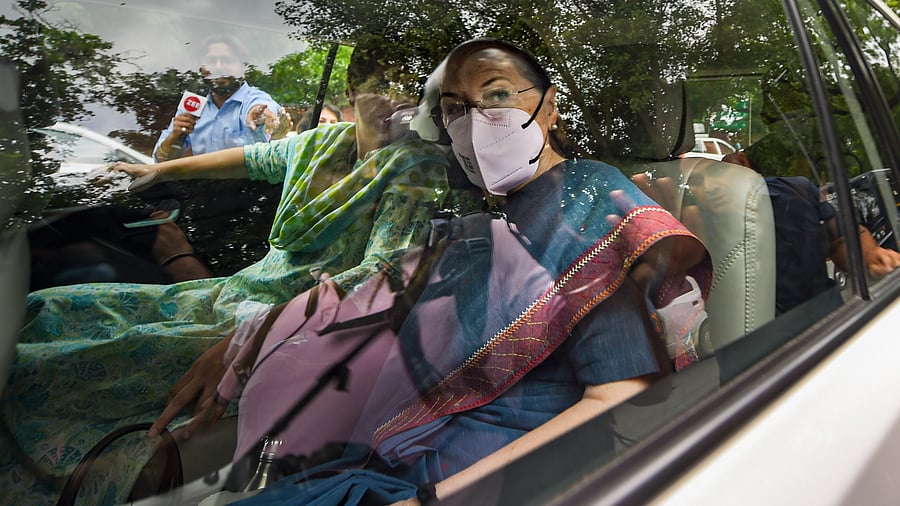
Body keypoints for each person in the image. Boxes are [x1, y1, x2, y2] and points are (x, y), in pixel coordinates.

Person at [194, 38, 712, 506]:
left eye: (497, 95)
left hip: (478, 483)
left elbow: (619, 395)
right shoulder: (484, 220)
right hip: (391, 462)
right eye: (455, 109)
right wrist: (257, 336)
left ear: (549, 106)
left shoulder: (592, 210)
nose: (477, 119)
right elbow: (385, 296)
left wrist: (427, 503)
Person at [0, 42, 452, 505]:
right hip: (234, 291)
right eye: (383, 85)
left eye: (407, 88)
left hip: (289, 325)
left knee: (69, 358)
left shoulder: (415, 166)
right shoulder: (319, 145)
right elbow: (248, 161)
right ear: (353, 90)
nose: (397, 99)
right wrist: (160, 170)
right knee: (47, 307)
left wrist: (251, 339)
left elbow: (383, 275)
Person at [722, 150, 900, 313]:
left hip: (831, 317)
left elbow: (840, 238)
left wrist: (871, 258)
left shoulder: (798, 191)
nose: (720, 184)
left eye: (723, 170)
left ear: (744, 162)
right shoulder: (709, 225)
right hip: (766, 338)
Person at [153, 34, 290, 162]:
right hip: (196, 187)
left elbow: (263, 109)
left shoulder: (255, 98)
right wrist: (174, 135)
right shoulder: (194, 107)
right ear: (202, 69)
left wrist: (261, 116)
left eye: (227, 60)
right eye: (211, 61)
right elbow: (159, 161)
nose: (218, 67)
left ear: (243, 69)